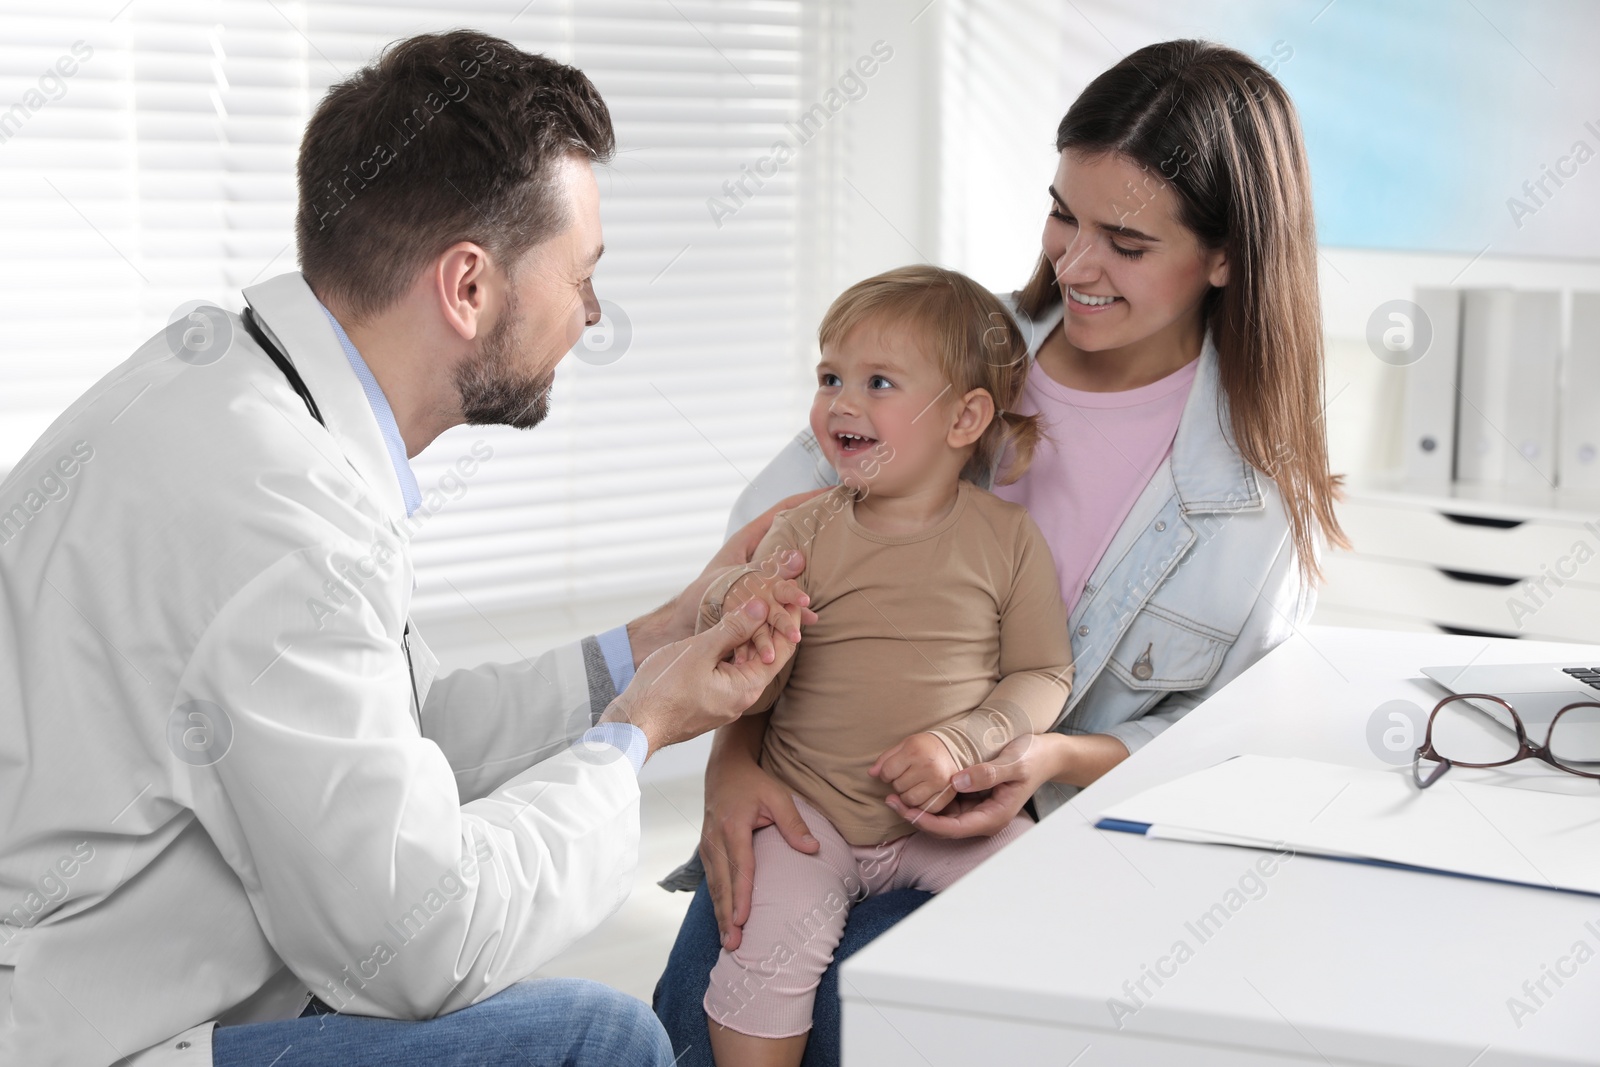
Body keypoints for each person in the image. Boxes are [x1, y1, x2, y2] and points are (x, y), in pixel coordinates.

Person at [0, 31, 817, 1067]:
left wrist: (650, 641)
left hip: (124, 966)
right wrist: (638, 734)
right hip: (85, 1033)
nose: (593, 311)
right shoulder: (282, 519)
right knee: (596, 1038)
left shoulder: (228, 390)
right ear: (468, 286)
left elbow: (396, 735)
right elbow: (422, 938)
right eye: (581, 274)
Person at [654, 39, 1347, 1066]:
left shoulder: (1255, 493)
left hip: (1035, 834)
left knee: (876, 1018)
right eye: (1063, 214)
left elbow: (1232, 734)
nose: (1073, 263)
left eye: (1124, 239)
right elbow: (748, 581)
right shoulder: (924, 356)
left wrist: (1050, 755)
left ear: (1227, 254)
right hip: (805, 799)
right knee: (691, 1025)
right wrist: (732, 761)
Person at [695, 266, 1073, 1067]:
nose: (841, 403)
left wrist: (965, 742)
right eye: (829, 375)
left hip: (949, 814)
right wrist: (745, 599)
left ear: (966, 416)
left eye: (877, 382)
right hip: (813, 815)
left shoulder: (1006, 540)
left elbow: (1042, 674)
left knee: (1035, 911)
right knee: (761, 954)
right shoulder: (803, 527)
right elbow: (723, 637)